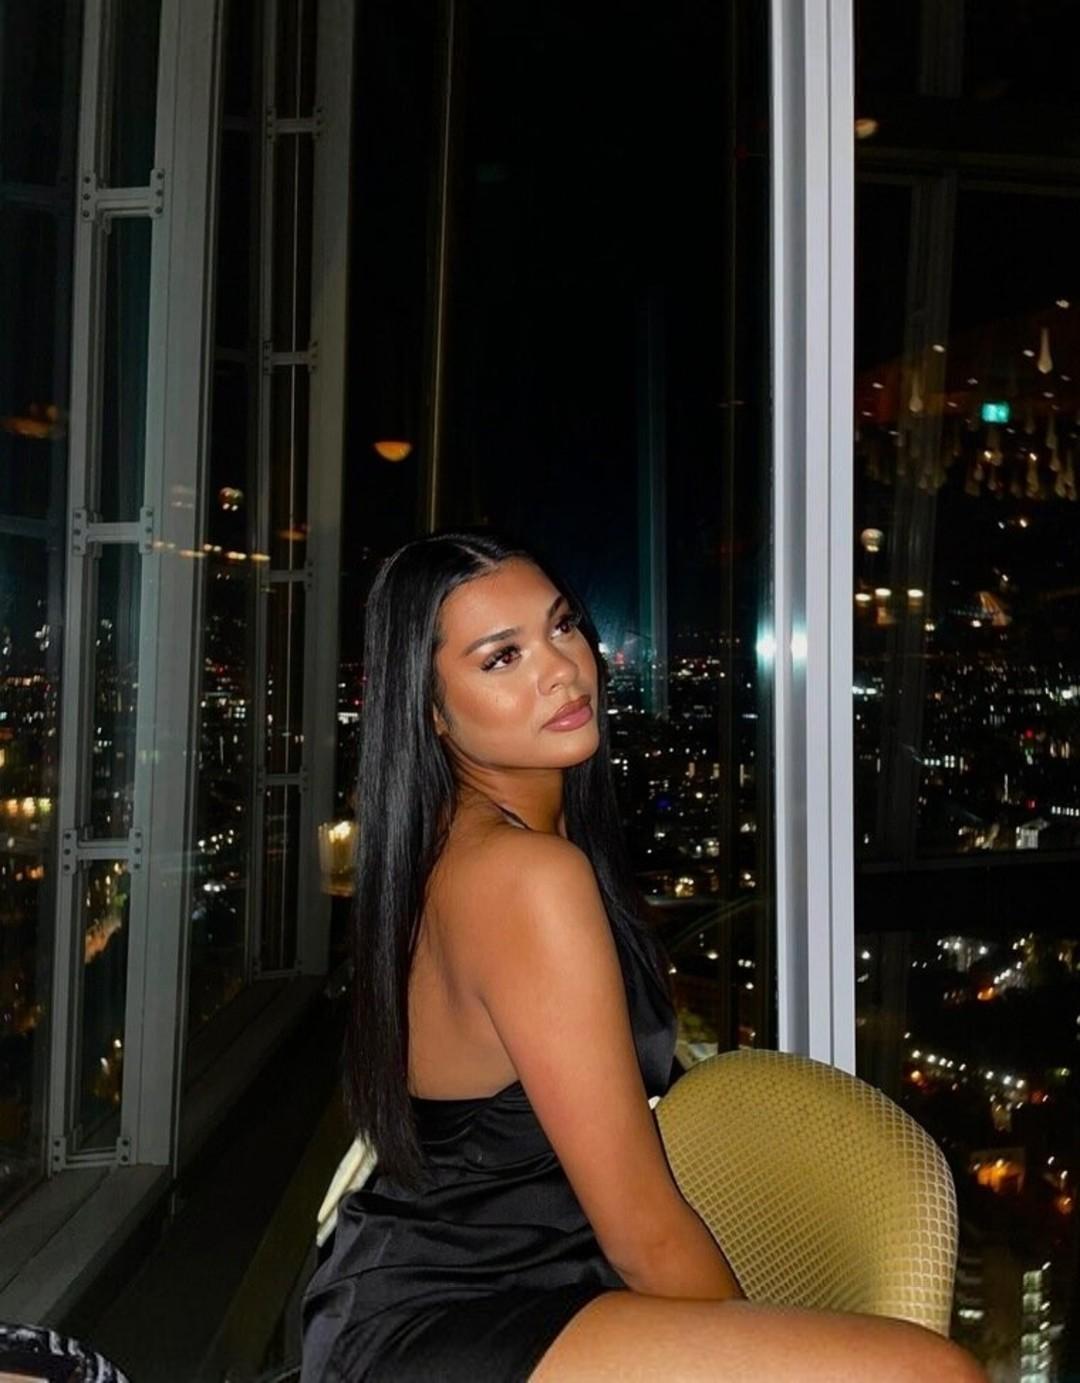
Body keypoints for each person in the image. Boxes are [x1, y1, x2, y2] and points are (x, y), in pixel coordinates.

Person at [301, 528, 986, 1382]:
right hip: (452, 1314)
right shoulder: (525, 877)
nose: (562, 668)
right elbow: (643, 1232)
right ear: (431, 710)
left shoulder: (453, 840)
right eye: (503, 657)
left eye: (562, 625)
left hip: (466, 1269)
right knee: (934, 1373)